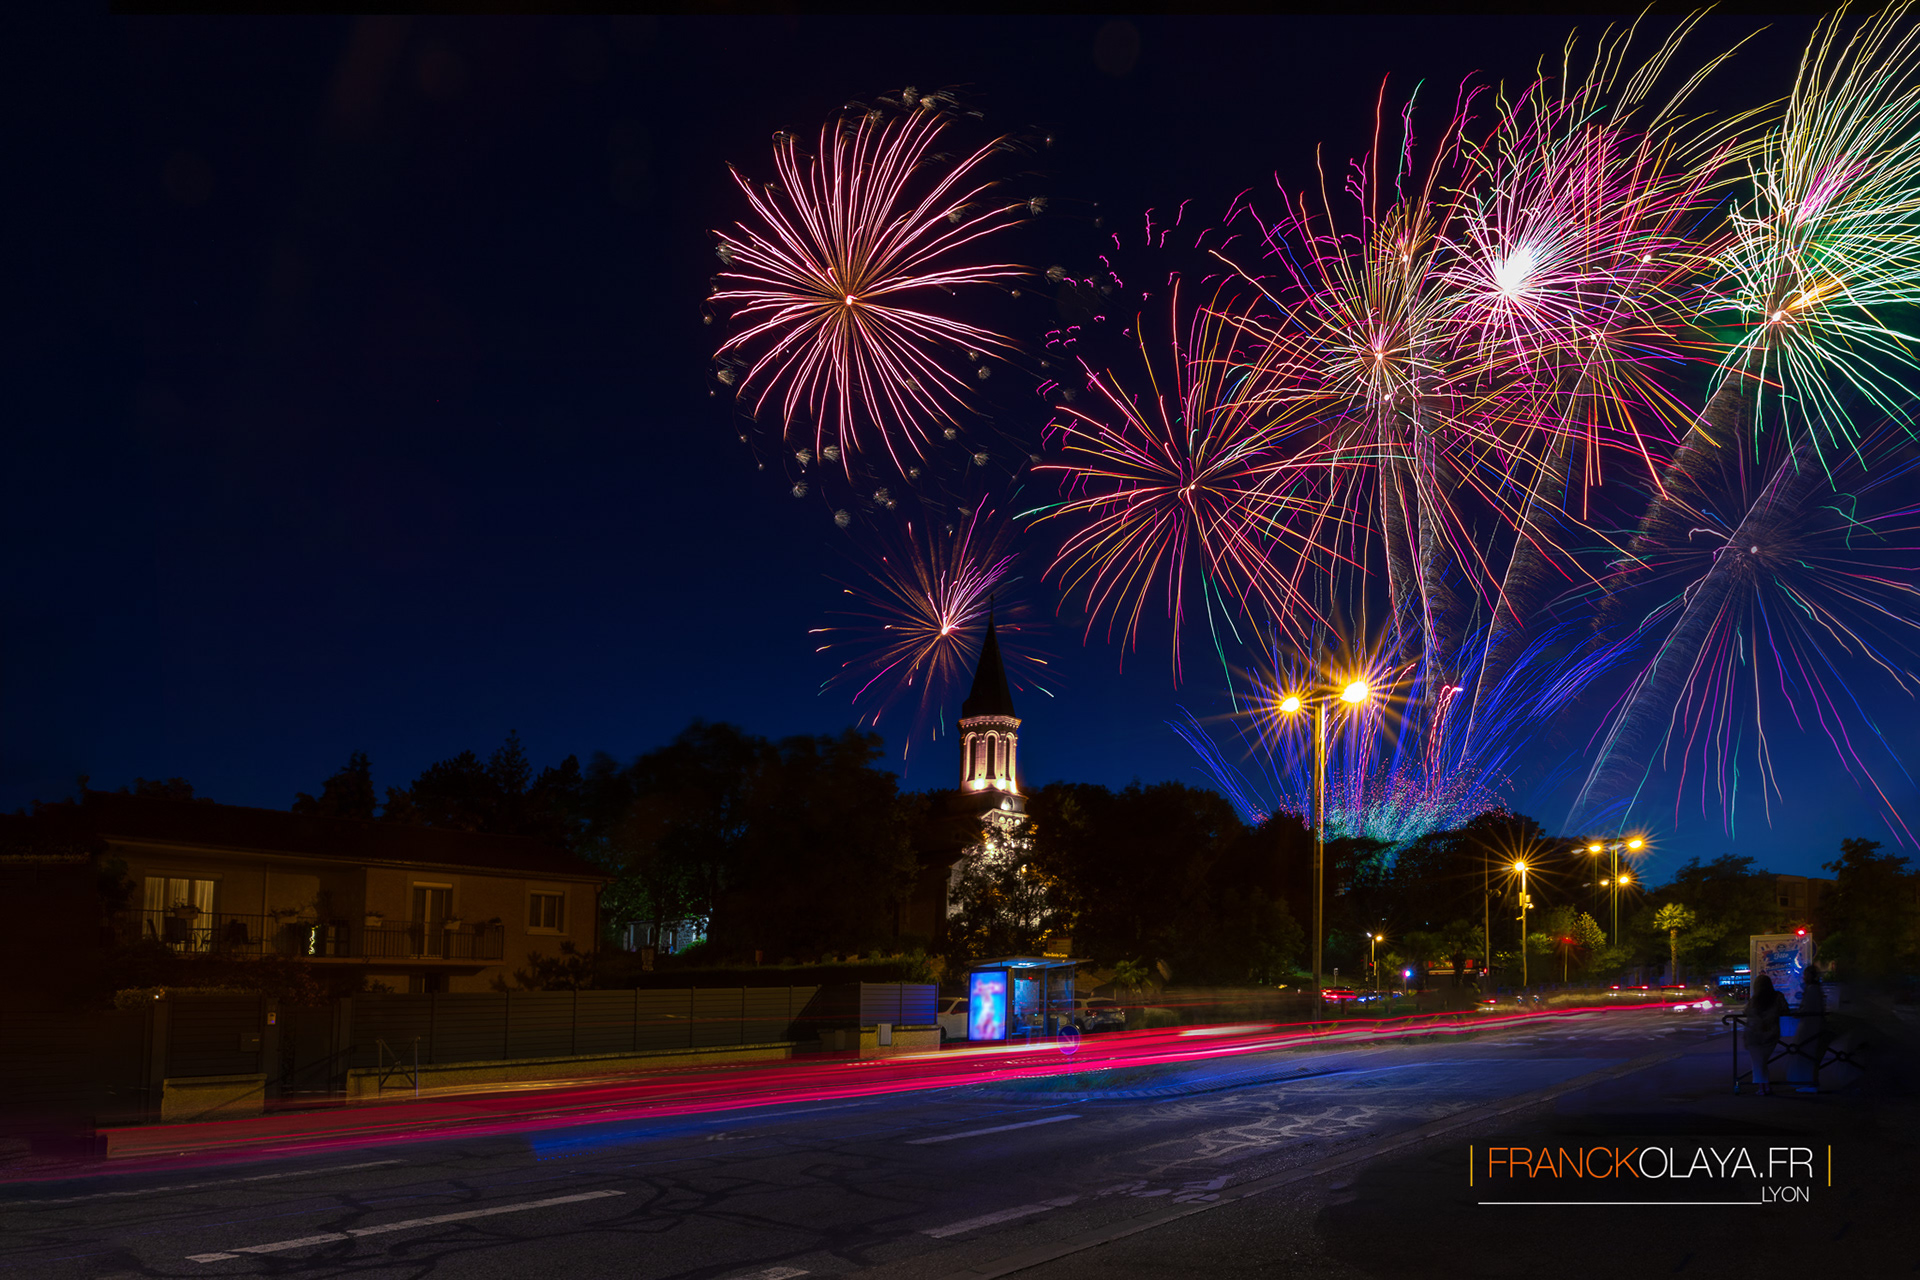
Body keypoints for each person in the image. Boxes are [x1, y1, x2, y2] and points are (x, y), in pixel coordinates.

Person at [1745, 973, 1789, 1095]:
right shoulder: (1777, 997)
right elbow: (1785, 1009)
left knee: (1758, 1062)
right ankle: (1765, 1087)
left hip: (1754, 1033)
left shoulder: (1754, 1000)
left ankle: (1762, 1087)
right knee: (1762, 1061)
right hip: (1771, 1032)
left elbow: (1746, 1012)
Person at [1793, 963, 1828, 1093]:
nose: (1803, 977)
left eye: (1805, 975)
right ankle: (1810, 1082)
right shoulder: (1816, 989)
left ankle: (1810, 1083)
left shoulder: (1811, 989)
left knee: (1807, 1054)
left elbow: (1807, 1008)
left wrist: (1798, 1013)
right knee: (1811, 1054)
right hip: (1815, 1026)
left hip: (1810, 1027)